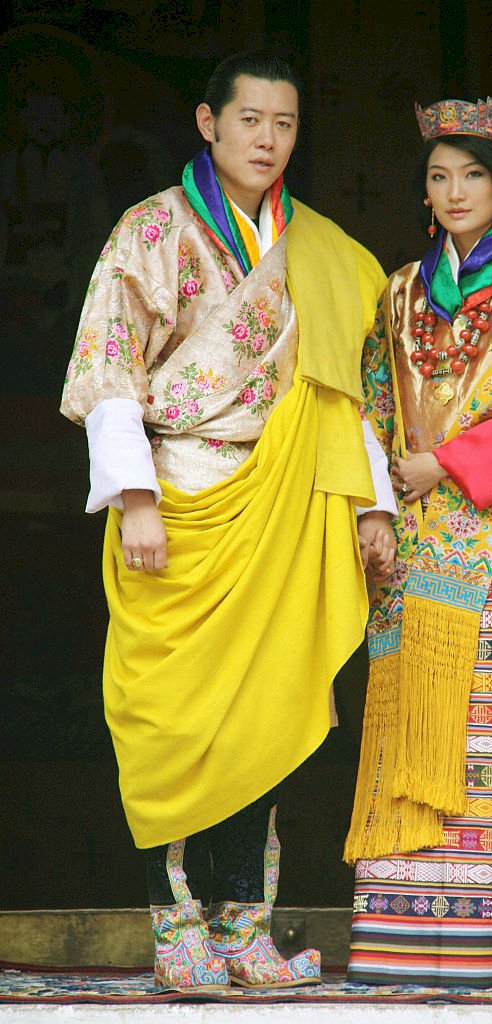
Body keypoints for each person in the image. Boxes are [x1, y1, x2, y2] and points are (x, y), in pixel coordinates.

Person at [60, 50, 395, 992]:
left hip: (283, 501)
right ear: (209, 123)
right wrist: (134, 499)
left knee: (266, 717)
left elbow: (342, 393)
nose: (268, 140)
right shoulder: (151, 230)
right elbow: (110, 368)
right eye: (251, 120)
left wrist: (369, 502)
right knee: (170, 719)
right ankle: (178, 932)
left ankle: (245, 932)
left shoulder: (316, 248)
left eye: (284, 125)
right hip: (177, 492)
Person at [343, 96, 492, 986]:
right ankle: (400, 928)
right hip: (406, 533)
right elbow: (369, 402)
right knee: (410, 712)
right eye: (439, 176)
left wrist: (442, 465)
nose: (454, 191)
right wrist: (378, 497)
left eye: (472, 174)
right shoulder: (400, 288)